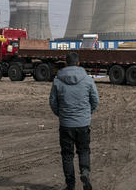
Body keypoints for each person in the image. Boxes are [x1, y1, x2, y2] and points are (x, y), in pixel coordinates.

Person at [49, 52, 99, 190]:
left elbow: (52, 102)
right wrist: (87, 114)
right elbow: (95, 101)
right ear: (78, 63)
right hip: (83, 123)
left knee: (67, 155)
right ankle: (85, 173)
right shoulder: (87, 80)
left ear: (66, 63)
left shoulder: (58, 80)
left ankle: (70, 185)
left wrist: (61, 114)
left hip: (66, 124)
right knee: (84, 150)